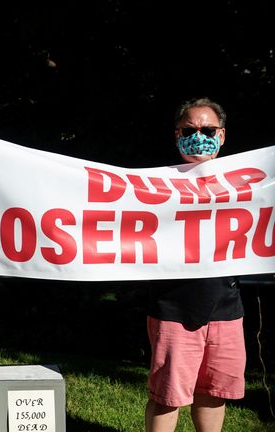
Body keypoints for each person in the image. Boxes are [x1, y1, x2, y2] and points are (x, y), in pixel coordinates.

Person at [144, 97, 245, 431]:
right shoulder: (155, 185)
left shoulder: (246, 184)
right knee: (167, 396)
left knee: (214, 392)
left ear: (223, 135)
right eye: (190, 129)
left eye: (208, 129)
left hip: (226, 306)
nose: (199, 135)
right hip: (174, 306)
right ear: (177, 135)